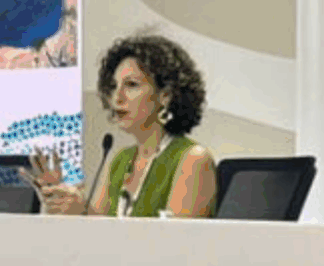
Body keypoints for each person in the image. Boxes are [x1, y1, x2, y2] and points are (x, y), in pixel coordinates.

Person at [31, 34, 218, 218]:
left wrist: (83, 210)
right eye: (114, 86)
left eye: (131, 85)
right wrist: (64, 205)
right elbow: (98, 230)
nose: (117, 97)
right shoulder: (121, 161)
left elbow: (176, 237)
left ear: (165, 95)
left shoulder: (193, 160)